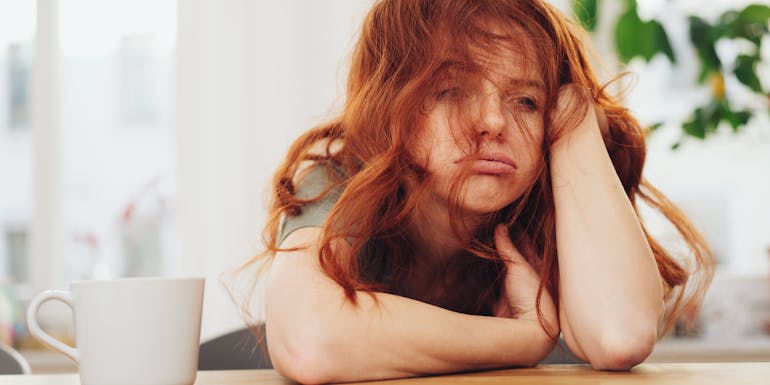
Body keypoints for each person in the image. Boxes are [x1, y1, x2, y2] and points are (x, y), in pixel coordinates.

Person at [243, 0, 714, 383]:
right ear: (392, 104)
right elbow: (311, 340)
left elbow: (620, 334)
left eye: (527, 101)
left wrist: (573, 107)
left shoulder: (546, 195)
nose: (493, 122)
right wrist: (525, 337)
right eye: (451, 90)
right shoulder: (342, 175)